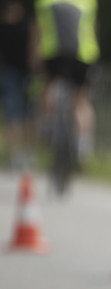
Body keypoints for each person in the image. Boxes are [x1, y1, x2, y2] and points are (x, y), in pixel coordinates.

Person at [34, 0, 99, 161]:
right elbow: (93, 29)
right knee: (81, 102)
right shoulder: (89, 2)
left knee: (47, 87)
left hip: (53, 53)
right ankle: (83, 146)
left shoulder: (44, 2)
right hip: (83, 55)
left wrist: (35, 60)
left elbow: (38, 31)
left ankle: (46, 126)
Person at [0, 0, 36, 171]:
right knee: (19, 115)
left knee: (21, 115)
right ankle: (20, 154)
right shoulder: (26, 27)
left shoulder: (8, 28)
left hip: (18, 75)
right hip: (17, 75)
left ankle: (22, 154)